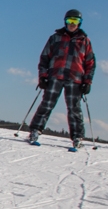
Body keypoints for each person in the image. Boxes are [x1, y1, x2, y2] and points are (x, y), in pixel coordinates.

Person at [26, 10, 95, 149]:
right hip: (55, 76)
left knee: (74, 108)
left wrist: (87, 82)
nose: (72, 24)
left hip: (75, 79)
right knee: (47, 104)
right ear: (65, 22)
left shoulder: (85, 41)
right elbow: (44, 58)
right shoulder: (55, 38)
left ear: (80, 23)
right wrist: (43, 76)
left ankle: (77, 137)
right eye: (69, 21)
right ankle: (35, 130)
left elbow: (90, 63)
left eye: (75, 21)